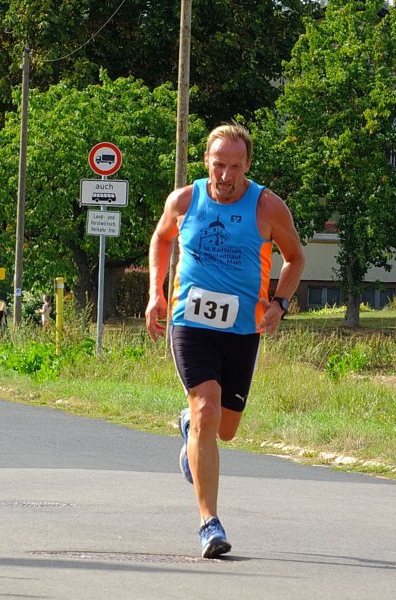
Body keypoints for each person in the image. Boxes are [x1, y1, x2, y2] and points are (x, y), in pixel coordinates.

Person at [145, 123, 305, 558]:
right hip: (190, 323)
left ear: (247, 166)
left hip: (241, 330)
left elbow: (295, 258)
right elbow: (161, 239)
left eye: (235, 166)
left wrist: (281, 303)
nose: (226, 174)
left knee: (226, 429)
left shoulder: (268, 207)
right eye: (219, 164)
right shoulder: (184, 200)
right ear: (206, 163)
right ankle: (208, 524)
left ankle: (191, 432)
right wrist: (156, 293)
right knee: (206, 410)